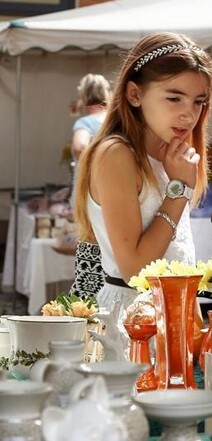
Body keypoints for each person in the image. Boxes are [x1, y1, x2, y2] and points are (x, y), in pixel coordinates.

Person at [74, 32, 212, 310]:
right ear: (134, 94)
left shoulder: (170, 156)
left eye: (199, 101)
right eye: (174, 98)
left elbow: (180, 259)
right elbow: (135, 269)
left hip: (173, 315)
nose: (189, 114)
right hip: (133, 322)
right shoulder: (116, 155)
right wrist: (179, 189)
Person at [67, 73, 111, 299]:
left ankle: (86, 303)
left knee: (90, 249)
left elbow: (79, 146)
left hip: (90, 194)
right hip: (115, 192)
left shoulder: (84, 122)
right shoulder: (114, 119)